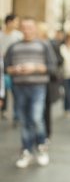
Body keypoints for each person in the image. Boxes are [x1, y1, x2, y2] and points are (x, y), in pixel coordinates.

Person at [4, 17, 57, 168]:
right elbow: (6, 67)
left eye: (30, 27)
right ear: (21, 29)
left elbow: (53, 67)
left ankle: (41, 147)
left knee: (36, 118)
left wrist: (36, 68)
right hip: (19, 87)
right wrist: (14, 70)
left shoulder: (44, 46)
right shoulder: (14, 47)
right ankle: (26, 150)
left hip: (38, 87)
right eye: (24, 27)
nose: (27, 30)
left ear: (35, 29)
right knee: (24, 120)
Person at [0, 14, 23, 122]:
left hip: (14, 68)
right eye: (15, 22)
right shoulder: (0, 35)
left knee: (16, 92)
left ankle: (17, 115)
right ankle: (3, 110)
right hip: (1, 67)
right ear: (9, 22)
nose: (16, 24)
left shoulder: (18, 35)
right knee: (2, 90)